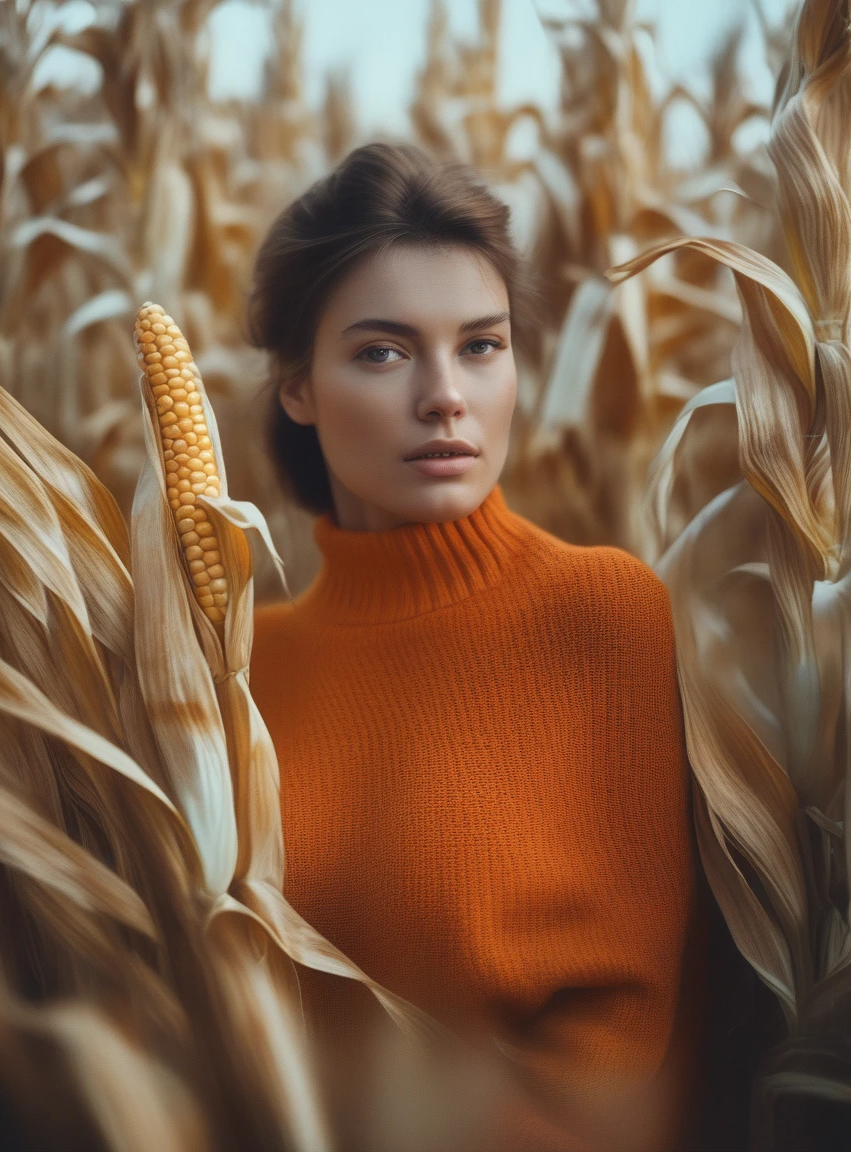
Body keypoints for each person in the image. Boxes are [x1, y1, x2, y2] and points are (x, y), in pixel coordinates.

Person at [246, 141, 708, 1152]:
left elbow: (616, 1050)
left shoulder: (600, 616)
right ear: (295, 386)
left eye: (480, 345)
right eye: (381, 350)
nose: (443, 394)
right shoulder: (235, 664)